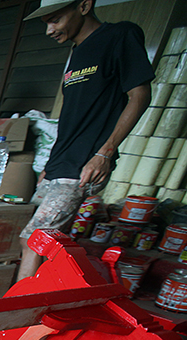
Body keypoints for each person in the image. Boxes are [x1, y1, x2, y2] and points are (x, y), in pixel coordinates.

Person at [16, 0, 153, 281]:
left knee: (35, 242)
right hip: (59, 164)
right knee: (26, 239)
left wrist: (104, 153)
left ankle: (17, 318)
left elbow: (139, 96)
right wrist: (50, 166)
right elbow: (73, 117)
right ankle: (37, 298)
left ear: (84, 5)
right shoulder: (76, 53)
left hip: (83, 164)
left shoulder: (119, 36)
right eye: (46, 23)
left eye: (56, 19)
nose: (50, 30)